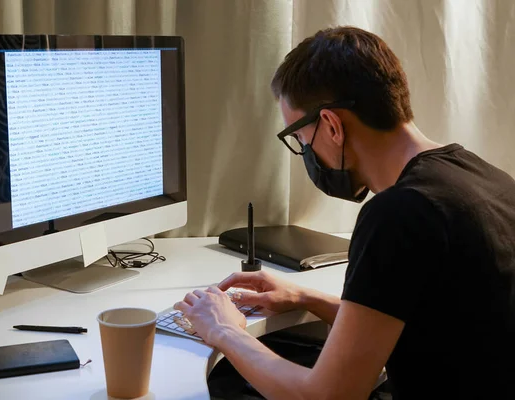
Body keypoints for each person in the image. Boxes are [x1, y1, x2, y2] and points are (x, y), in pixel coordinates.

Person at [174, 25, 515, 399]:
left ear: (332, 125)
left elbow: (328, 395)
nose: (306, 153)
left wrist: (223, 330)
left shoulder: (400, 215)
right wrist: (306, 299)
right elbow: (427, 322)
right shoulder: (486, 178)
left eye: (302, 139)